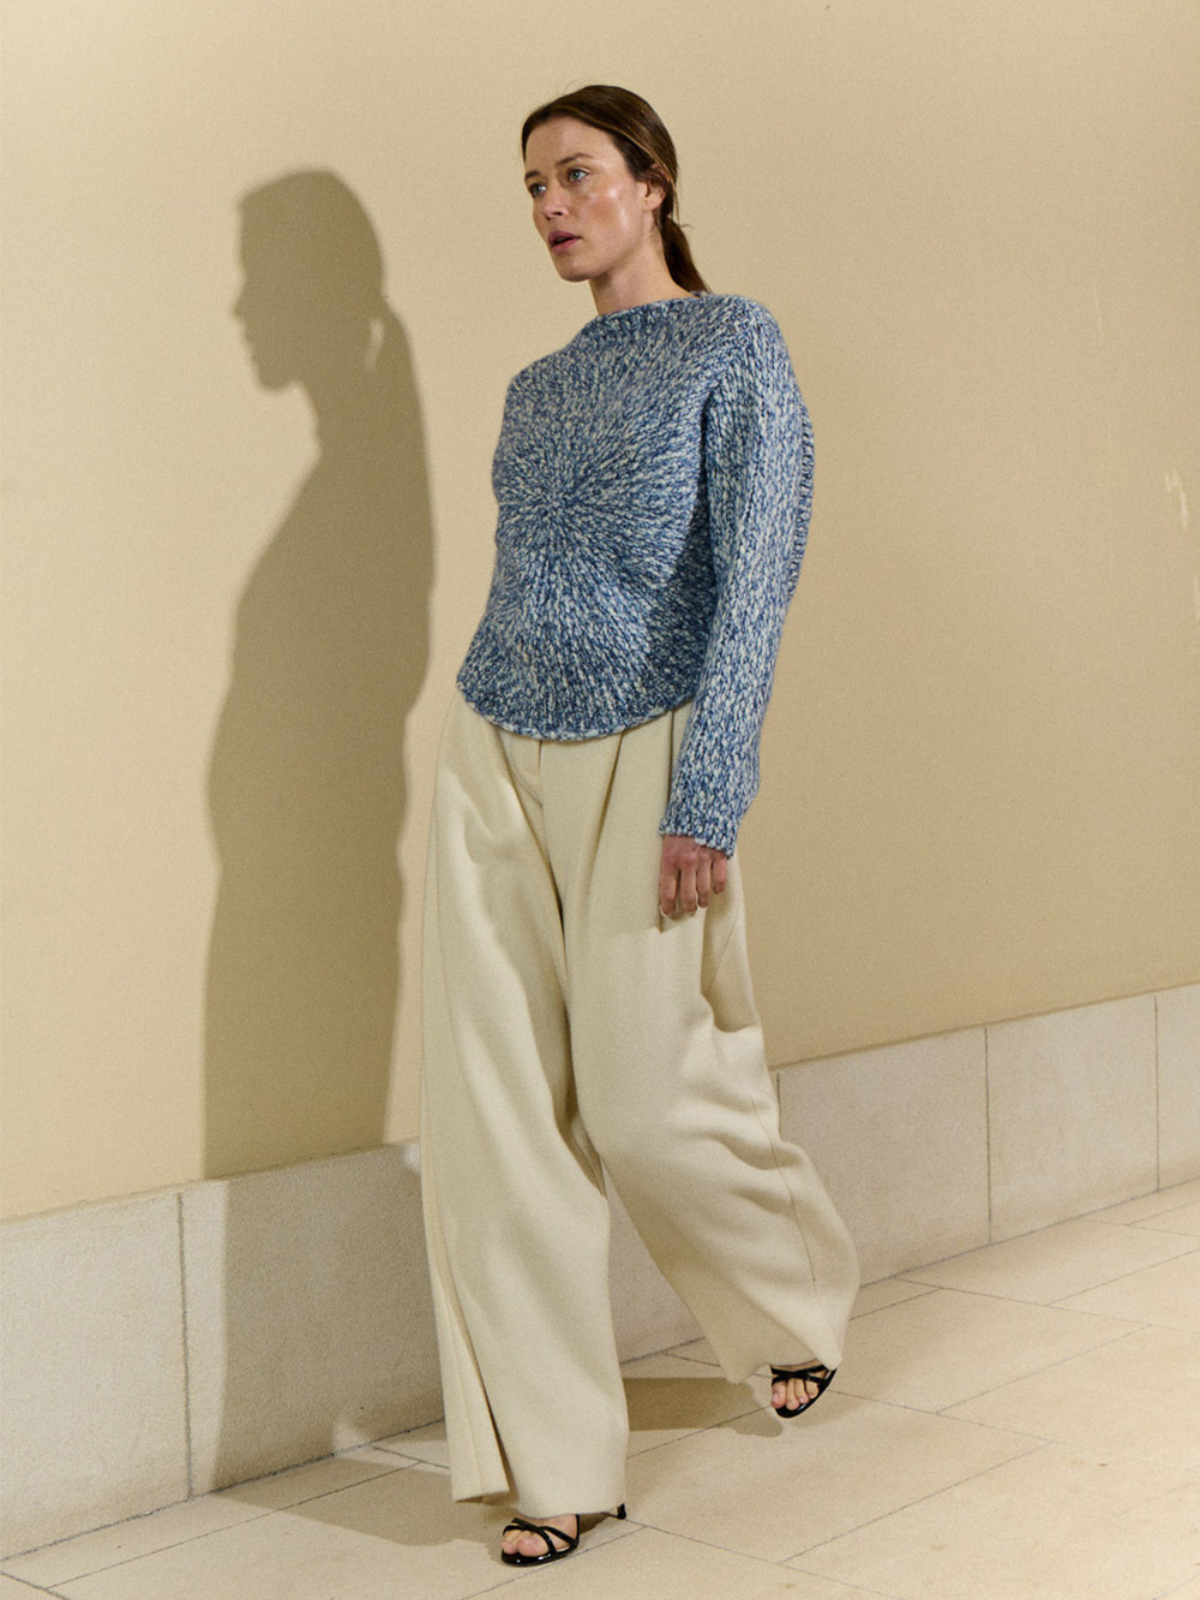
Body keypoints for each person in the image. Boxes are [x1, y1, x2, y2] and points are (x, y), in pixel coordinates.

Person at [419, 83, 859, 1568]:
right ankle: (554, 1467)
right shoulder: (534, 388)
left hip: (649, 739)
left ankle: (792, 1308)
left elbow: (758, 576)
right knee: (493, 1123)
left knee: (644, 1098)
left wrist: (708, 790)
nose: (552, 206)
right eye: (533, 187)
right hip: (492, 740)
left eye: (578, 174)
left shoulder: (735, 343)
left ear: (653, 181)